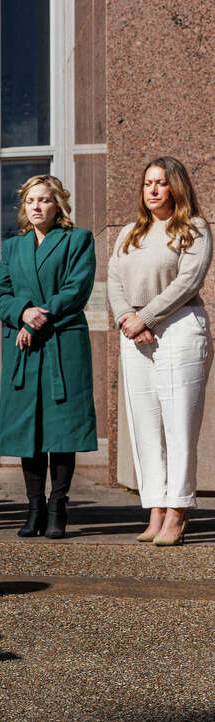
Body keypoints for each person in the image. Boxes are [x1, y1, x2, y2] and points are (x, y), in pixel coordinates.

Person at [108, 156, 212, 547]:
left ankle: (178, 511)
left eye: (161, 183)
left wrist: (147, 316)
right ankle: (154, 506)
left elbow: (188, 281)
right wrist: (127, 320)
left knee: (178, 425)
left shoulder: (194, 228)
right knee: (146, 426)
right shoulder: (130, 233)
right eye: (147, 182)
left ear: (176, 187)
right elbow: (115, 278)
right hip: (133, 333)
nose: (152, 190)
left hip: (180, 328)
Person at [0, 175, 97, 539]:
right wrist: (22, 312)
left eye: (44, 200)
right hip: (23, 348)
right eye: (30, 201)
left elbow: (75, 290)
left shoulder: (77, 240)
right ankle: (33, 506)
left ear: (59, 205)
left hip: (60, 344)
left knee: (60, 430)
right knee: (27, 430)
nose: (36, 206)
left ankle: (58, 506)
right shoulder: (13, 247)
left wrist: (35, 321)